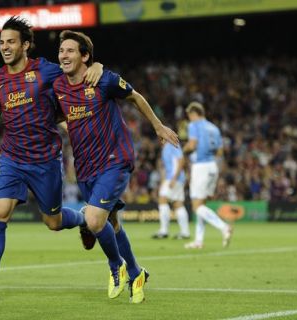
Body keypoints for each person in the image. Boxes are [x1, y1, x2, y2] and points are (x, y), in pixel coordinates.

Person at [0, 17, 103, 306]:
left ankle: (82, 220)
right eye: (2, 42)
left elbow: (78, 68)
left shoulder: (45, 70)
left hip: (46, 161)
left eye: (11, 42)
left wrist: (97, 66)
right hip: (12, 159)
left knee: (53, 223)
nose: (5, 47)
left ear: (26, 44)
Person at [53, 30, 179, 303]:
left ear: (85, 56)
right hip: (85, 167)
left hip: (115, 160)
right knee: (111, 223)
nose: (64, 55)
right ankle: (136, 272)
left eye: (71, 50)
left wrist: (158, 126)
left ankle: (116, 267)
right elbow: (59, 117)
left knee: (94, 219)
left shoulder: (104, 79)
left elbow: (135, 97)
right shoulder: (57, 86)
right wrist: (68, 126)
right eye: (61, 50)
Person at [182, 101, 233, 249]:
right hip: (213, 167)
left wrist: (183, 150)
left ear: (193, 113)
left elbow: (192, 145)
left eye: (189, 115)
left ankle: (224, 227)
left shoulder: (194, 125)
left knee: (196, 206)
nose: (189, 119)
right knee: (202, 205)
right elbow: (220, 152)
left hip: (201, 166)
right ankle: (198, 241)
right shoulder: (214, 128)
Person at [152, 141, 190, 240]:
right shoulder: (166, 147)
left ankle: (164, 230)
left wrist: (174, 178)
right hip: (174, 178)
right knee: (178, 204)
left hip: (174, 178)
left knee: (162, 199)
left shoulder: (172, 145)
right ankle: (185, 232)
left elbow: (181, 160)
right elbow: (168, 167)